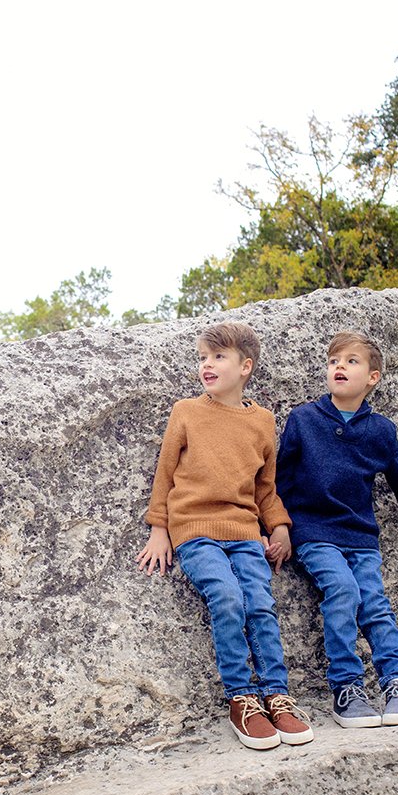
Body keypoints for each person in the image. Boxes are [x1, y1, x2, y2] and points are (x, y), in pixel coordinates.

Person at [137, 321, 313, 750]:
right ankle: (242, 698)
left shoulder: (263, 421)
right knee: (228, 598)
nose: (207, 365)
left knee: (260, 604)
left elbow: (265, 488)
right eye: (202, 358)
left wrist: (281, 526)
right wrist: (159, 529)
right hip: (194, 529)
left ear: (245, 366)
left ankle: (276, 694)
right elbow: (164, 473)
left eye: (218, 357)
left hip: (245, 532)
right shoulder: (187, 411)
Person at [276, 331, 398, 728]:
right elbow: (279, 480)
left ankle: (397, 680)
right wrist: (278, 528)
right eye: (333, 361)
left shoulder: (381, 431)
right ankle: (347, 687)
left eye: (351, 361)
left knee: (374, 603)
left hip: (360, 536)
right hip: (314, 531)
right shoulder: (303, 419)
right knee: (342, 590)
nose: (339, 366)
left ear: (373, 377)